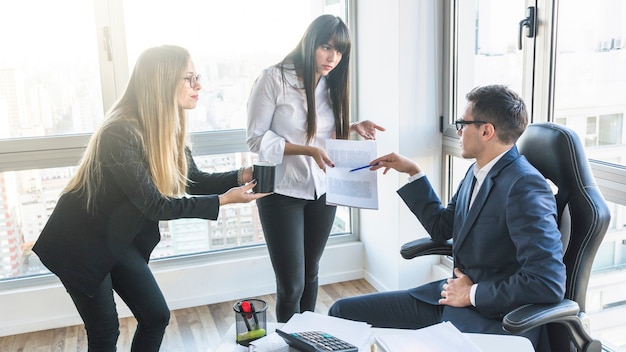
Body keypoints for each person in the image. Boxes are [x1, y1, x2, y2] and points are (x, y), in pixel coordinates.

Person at [33, 45, 268, 352]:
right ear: (163, 81)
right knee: (105, 332)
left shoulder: (165, 126)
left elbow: (193, 180)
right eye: (189, 78)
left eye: (197, 77)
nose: (199, 85)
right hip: (80, 243)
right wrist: (225, 201)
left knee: (155, 316)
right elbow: (155, 204)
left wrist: (242, 175)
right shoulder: (119, 133)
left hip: (117, 238)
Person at [328, 85, 566, 350]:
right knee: (342, 312)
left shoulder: (524, 186)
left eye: (462, 123)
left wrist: (470, 294)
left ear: (486, 131)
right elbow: (442, 227)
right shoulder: (477, 172)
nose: (458, 131)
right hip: (448, 296)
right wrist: (412, 172)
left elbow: (547, 282)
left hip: (489, 316)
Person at [246, 14, 384, 322]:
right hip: (281, 192)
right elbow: (256, 139)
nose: (333, 57)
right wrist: (305, 150)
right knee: (291, 284)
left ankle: (305, 340)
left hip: (322, 190)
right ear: (310, 43)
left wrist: (351, 126)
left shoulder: (330, 84)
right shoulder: (274, 78)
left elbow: (316, 132)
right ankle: (287, 341)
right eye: (326, 47)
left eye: (339, 51)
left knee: (310, 275)